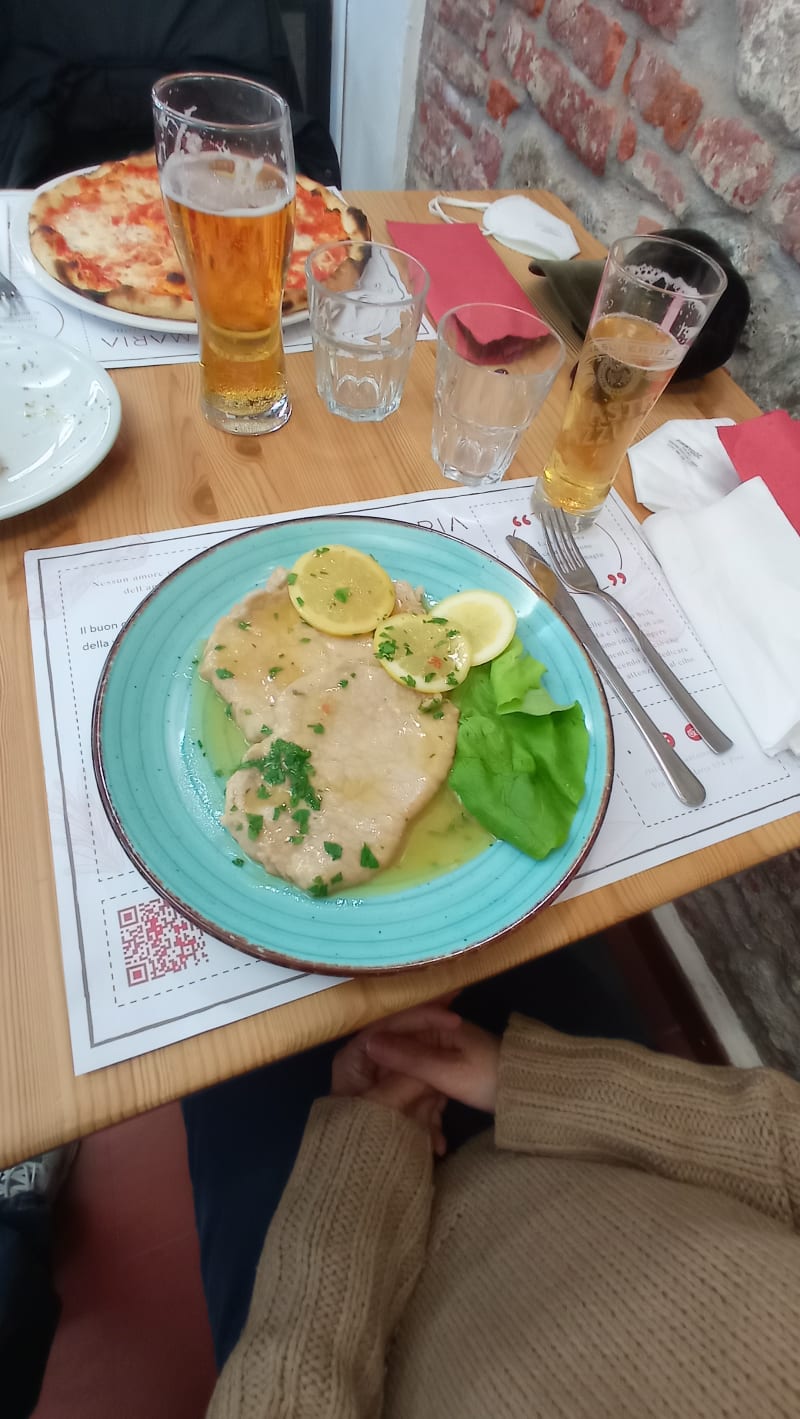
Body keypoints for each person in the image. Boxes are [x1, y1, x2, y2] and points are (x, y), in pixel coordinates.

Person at [183, 945, 800, 1418]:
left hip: (341, 1277)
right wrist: (526, 1080)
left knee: (209, 1002)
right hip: (609, 1130)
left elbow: (285, 1393)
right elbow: (785, 1141)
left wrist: (354, 1169)